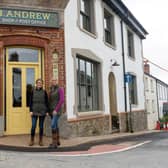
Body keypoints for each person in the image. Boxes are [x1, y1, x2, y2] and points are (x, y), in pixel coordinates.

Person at [29, 78, 49, 146]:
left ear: (42, 84)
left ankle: (40, 140)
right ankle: (32, 140)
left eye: (40, 83)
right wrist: (30, 110)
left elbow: (46, 102)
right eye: (38, 83)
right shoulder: (32, 91)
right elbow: (30, 102)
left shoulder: (44, 92)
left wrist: (46, 111)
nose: (39, 84)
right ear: (36, 84)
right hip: (34, 111)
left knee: (41, 127)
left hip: (42, 111)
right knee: (33, 126)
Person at [48, 78, 64, 149]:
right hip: (51, 110)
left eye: (55, 80)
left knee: (53, 125)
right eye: (52, 81)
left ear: (57, 81)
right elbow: (50, 101)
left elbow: (62, 100)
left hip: (56, 111)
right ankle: (57, 140)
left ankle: (54, 143)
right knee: (56, 125)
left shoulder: (60, 89)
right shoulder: (51, 90)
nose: (53, 82)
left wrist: (56, 110)